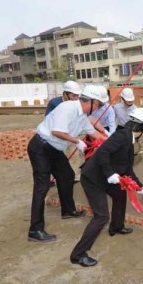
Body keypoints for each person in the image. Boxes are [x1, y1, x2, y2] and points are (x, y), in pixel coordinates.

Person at [70, 108, 143, 267]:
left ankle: (117, 226)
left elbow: (127, 169)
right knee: (101, 216)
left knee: (120, 194)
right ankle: (78, 255)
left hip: (105, 176)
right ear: (140, 129)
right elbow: (102, 153)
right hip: (93, 178)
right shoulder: (122, 136)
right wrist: (110, 173)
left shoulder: (128, 139)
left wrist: (140, 187)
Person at [27, 85, 107, 243]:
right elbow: (56, 131)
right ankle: (35, 230)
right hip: (41, 147)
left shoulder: (82, 116)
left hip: (55, 149)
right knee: (42, 187)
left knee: (67, 175)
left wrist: (113, 141)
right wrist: (76, 141)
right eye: (99, 105)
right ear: (91, 101)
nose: (99, 108)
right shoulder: (68, 108)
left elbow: (94, 133)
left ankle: (68, 210)